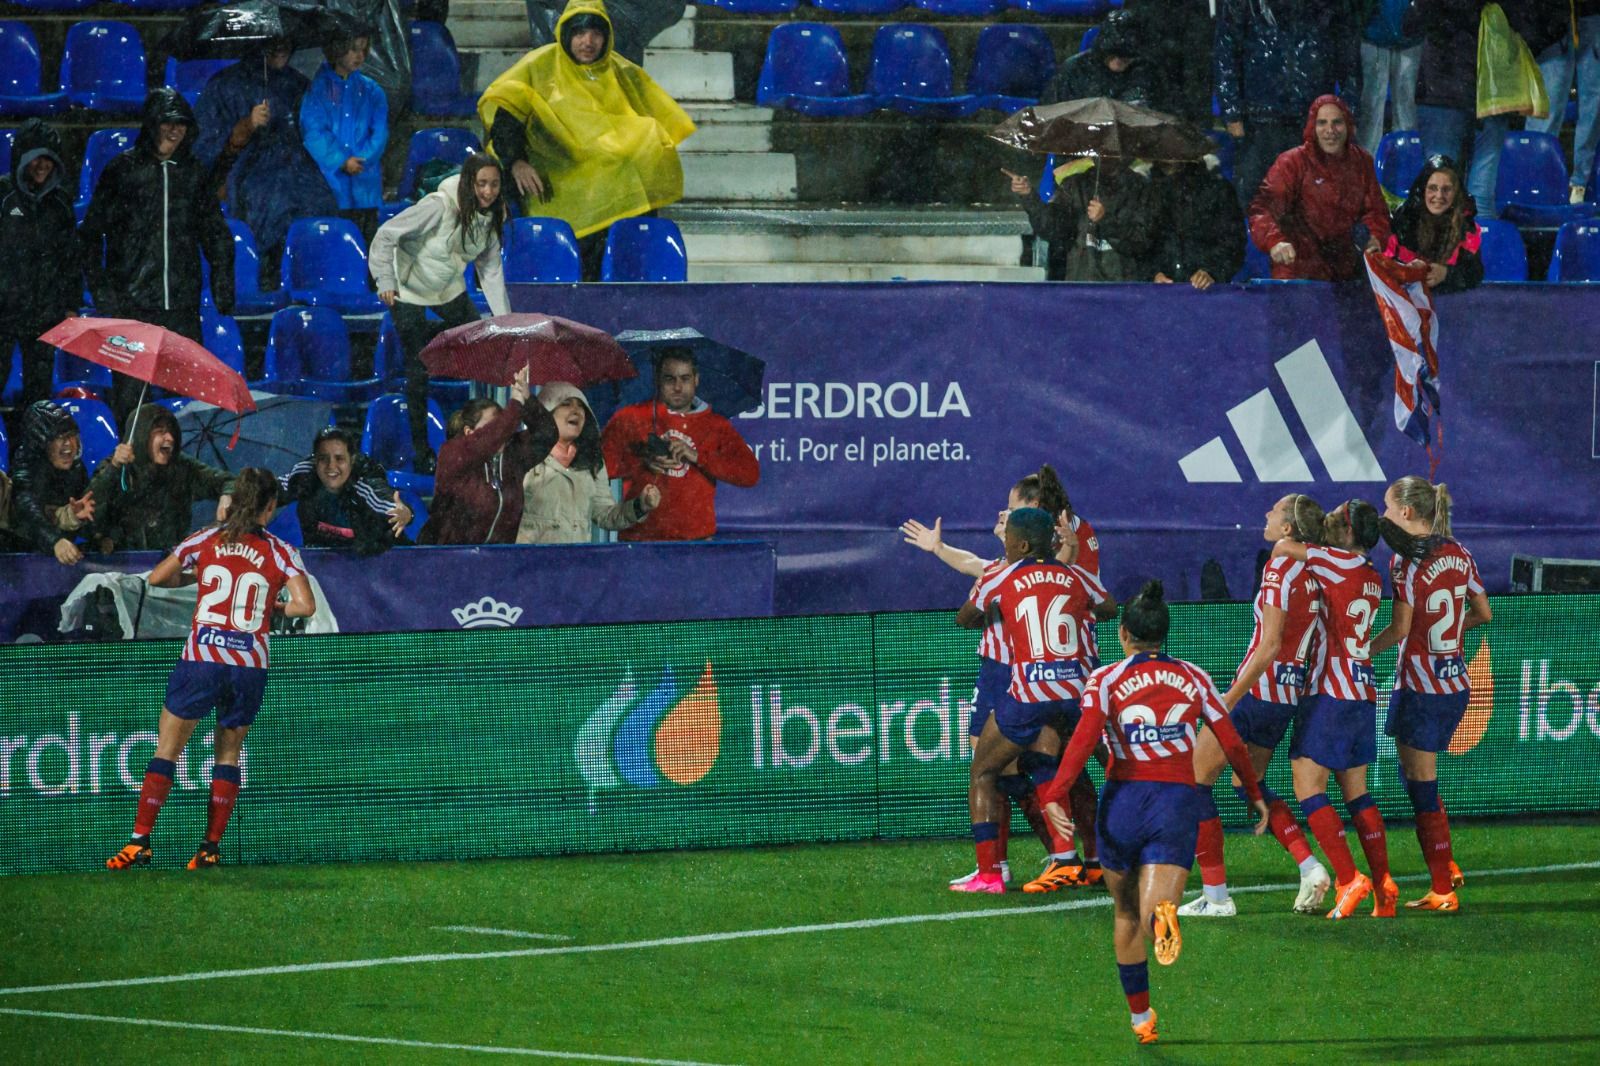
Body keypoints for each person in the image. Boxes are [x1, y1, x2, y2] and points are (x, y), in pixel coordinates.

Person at [1036, 580, 1268, 1046]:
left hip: (1121, 804)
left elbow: (1082, 743)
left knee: (1124, 915)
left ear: (1123, 635)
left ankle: (1142, 1021)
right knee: (1153, 908)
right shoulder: (1195, 677)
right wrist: (1254, 791)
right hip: (1175, 804)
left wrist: (1054, 794)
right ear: (1165, 634)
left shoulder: (1104, 680)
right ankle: (1161, 916)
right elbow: (1230, 740)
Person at [904, 466, 1106, 891]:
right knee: (1048, 766)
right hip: (1056, 675)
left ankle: (1019, 865)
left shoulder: (1015, 568)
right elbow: (1101, 603)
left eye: (1010, 513)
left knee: (997, 769)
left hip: (1023, 673)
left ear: (1028, 525)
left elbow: (971, 609)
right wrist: (939, 548)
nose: (1001, 516)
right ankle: (1067, 857)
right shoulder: (1042, 561)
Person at [105, 468, 314, 871]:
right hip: (248, 664)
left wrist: (197, 577)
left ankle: (139, 842)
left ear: (234, 501)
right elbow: (305, 606)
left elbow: (158, 577)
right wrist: (275, 607)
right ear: (270, 507)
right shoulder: (281, 551)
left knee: (168, 749)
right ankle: (209, 848)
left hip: (203, 657)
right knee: (229, 753)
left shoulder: (208, 538)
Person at [1181, 494, 1331, 918]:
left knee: (1195, 782)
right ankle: (1309, 865)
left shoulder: (1281, 568)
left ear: (1287, 529)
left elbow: (1267, 648)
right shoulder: (1317, 570)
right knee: (1246, 785)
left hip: (1258, 692)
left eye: (1274, 512)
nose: (1265, 514)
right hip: (1285, 696)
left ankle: (1216, 896)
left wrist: (1225, 701)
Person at [953, 508, 1116, 895]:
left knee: (983, 772)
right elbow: (1108, 609)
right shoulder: (1077, 575)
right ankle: (1085, 859)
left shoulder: (1000, 575)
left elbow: (966, 618)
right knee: (1061, 763)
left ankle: (990, 874)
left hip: (1030, 692)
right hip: (1078, 694)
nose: (1003, 542)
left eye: (1007, 536)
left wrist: (1001, 610)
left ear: (1021, 544)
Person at [480, 0, 695, 280]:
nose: (588, 42)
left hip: (605, 175)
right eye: (579, 34)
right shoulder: (539, 65)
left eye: (596, 34)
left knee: (643, 159)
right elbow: (506, 122)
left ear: (607, 37)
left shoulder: (620, 71)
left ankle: (628, 271)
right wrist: (516, 161)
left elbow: (650, 117)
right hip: (555, 172)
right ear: (566, 35)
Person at [1270, 499, 1397, 918]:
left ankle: (1347, 878)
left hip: (1330, 690)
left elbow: (1286, 549)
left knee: (1307, 785)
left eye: (1335, 518)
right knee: (1357, 792)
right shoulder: (1372, 575)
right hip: (1363, 688)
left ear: (1346, 533)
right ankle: (1383, 886)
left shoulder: (1332, 561)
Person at [78, 88, 235, 426]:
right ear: (152, 124)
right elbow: (90, 235)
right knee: (132, 407)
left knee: (192, 403)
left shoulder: (193, 173)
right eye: (167, 122)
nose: (175, 130)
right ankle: (132, 474)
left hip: (181, 305)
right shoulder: (122, 171)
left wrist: (223, 280)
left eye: (181, 123)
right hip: (132, 306)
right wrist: (105, 294)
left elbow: (215, 231)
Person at [1370, 475, 1490, 912]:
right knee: (1415, 776)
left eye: (1386, 506)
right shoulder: (1460, 553)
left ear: (1406, 512)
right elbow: (1484, 612)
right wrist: (1449, 637)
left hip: (1422, 685)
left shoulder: (1405, 563)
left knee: (1421, 785)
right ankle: (1447, 863)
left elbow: (1400, 628)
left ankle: (1442, 888)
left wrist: (1360, 651)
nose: (1382, 515)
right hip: (1454, 681)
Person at [370, 153, 511, 472]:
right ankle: (422, 454)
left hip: (446, 287)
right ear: (469, 183)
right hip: (407, 288)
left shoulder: (491, 218)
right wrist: (385, 279)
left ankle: (479, 440)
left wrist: (504, 323)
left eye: (494, 184)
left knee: (483, 340)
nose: (488, 191)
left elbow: (490, 272)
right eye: (481, 184)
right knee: (418, 371)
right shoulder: (438, 206)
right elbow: (386, 234)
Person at [193, 37, 339, 273]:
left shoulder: (299, 84)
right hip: (248, 171)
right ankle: (267, 273)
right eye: (272, 42)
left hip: (299, 170)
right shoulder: (225, 85)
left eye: (285, 42)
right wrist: (246, 126)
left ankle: (311, 274)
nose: (281, 48)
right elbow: (204, 148)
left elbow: (318, 133)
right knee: (272, 203)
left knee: (322, 201)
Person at [600, 349, 760, 541]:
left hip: (696, 541)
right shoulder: (629, 418)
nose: (678, 387)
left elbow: (750, 474)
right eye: (670, 379)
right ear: (657, 380)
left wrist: (698, 456)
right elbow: (596, 470)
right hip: (638, 539)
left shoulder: (716, 425)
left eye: (685, 378)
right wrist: (640, 463)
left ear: (696, 380)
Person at [1214, 0, 1361, 205]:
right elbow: (1226, 50)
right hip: (1259, 116)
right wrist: (1231, 111)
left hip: (1313, 116)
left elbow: (1349, 58)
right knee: (1257, 201)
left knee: (1313, 202)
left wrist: (1348, 112)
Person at [1249, 95, 1391, 281]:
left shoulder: (1362, 161)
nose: (1330, 130)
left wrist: (1375, 237)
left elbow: (1376, 211)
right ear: (1312, 128)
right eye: (1322, 123)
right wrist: (1275, 242)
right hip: (1297, 269)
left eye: (1337, 122)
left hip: (1344, 270)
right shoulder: (1291, 162)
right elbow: (1263, 209)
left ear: (1348, 125)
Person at [0, 118, 82, 425]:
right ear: (21, 157)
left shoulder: (60, 204)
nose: (42, 164)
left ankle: (29, 460)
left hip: (44, 316)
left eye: (49, 157)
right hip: (3, 315)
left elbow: (71, 259)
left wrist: (71, 304)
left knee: (38, 398)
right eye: (36, 156)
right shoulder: (2, 197)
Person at [420, 366, 557, 545]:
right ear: (469, 432)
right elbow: (493, 436)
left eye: (503, 422)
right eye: (492, 424)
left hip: (496, 563)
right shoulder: (453, 453)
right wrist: (514, 405)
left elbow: (547, 434)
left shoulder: (512, 456)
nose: (503, 431)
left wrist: (527, 399)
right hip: (450, 562)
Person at [514, 381, 658, 543]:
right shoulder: (523, 454)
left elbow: (606, 515)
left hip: (577, 563)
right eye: (566, 404)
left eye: (581, 406)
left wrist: (640, 506)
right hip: (531, 563)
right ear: (546, 411)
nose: (576, 411)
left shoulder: (592, 460)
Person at [86, 404, 233, 555]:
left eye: (171, 432)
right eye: (160, 431)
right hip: (124, 565)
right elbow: (90, 513)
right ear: (141, 435)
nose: (169, 438)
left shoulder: (182, 467)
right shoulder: (116, 467)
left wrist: (227, 494)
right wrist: (114, 468)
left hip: (169, 564)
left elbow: (230, 481)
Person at [300, 22, 389, 245]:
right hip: (331, 186)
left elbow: (379, 132)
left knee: (367, 246)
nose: (359, 56)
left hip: (365, 184)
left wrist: (361, 160)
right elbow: (313, 132)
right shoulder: (317, 91)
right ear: (337, 49)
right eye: (353, 49)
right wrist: (341, 160)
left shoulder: (372, 90)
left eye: (363, 49)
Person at [1007, 160, 1156, 282]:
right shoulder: (1074, 185)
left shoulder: (1140, 187)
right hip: (1081, 285)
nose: (1104, 154)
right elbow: (1053, 229)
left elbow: (1141, 242)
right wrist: (1029, 196)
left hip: (1123, 288)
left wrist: (1106, 220)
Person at [278, 427, 412, 554]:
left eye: (339, 459)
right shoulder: (303, 477)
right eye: (323, 458)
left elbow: (391, 506)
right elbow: (271, 490)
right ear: (315, 460)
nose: (331, 466)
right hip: (322, 564)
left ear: (352, 460)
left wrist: (406, 513)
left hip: (379, 563)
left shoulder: (364, 484)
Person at [2, 401, 95, 563]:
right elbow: (27, 507)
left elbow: (87, 506)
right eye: (59, 437)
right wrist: (54, 541)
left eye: (70, 435)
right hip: (23, 557)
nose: (68, 445)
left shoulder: (77, 468)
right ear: (41, 443)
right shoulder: (26, 466)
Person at [1528, 3, 1600, 203]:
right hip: (1551, 20)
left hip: (1592, 15)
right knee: (1544, 112)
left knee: (1593, 108)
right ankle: (1534, 184)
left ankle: (1578, 185)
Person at [1385, 154, 1485, 293]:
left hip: (1449, 303)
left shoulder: (1466, 227)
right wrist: (1406, 269)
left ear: (1456, 193)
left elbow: (1474, 275)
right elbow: (1384, 265)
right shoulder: (1403, 220)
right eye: (1432, 188)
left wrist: (1446, 274)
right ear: (1422, 189)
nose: (1439, 196)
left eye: (1447, 189)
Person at [1149, 155, 1245, 289]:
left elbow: (1233, 242)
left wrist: (1211, 272)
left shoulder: (1217, 189)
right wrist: (1153, 273)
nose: (1171, 152)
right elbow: (1143, 245)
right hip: (1160, 294)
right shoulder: (1149, 191)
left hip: (1207, 294)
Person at [1041, 11, 1154, 107]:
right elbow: (1052, 111)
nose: (1118, 61)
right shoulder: (1076, 69)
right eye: (1112, 54)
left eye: (1126, 56)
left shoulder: (1147, 73)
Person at [1357, 0, 1424, 154]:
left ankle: (1405, 167)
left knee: (1405, 113)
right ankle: (1365, 168)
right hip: (1373, 33)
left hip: (1409, 36)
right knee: (1371, 111)